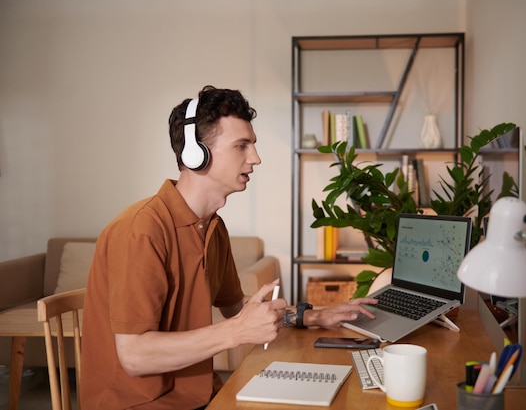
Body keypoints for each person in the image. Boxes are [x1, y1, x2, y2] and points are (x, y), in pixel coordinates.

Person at [80, 85, 377, 409]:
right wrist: (237, 332)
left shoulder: (212, 227)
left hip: (198, 394)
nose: (256, 158)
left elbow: (237, 307)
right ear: (197, 153)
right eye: (241, 146)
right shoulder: (141, 231)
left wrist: (314, 318)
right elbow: (135, 356)